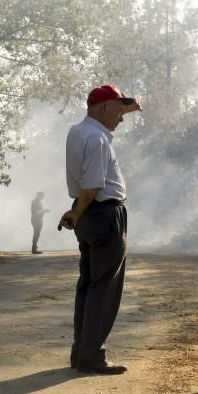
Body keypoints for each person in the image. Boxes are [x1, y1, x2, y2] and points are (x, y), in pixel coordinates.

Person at [57, 84, 141, 375]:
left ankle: (82, 352)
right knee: (104, 289)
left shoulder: (79, 132)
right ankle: (92, 355)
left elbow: (85, 185)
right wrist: (76, 212)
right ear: (103, 108)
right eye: (118, 111)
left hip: (89, 213)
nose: (121, 118)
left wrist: (77, 212)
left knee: (89, 285)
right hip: (104, 213)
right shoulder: (98, 140)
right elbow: (92, 185)